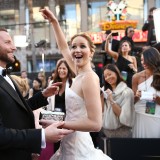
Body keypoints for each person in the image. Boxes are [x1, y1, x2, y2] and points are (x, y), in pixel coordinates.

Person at [40, 7, 112, 160]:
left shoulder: (89, 78)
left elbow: (95, 124)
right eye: (74, 46)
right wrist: (54, 21)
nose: (76, 50)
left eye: (82, 46)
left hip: (79, 147)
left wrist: (61, 124)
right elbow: (63, 47)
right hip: (68, 143)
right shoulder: (78, 73)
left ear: (91, 52)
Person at [0, 28, 73, 160]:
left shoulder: (6, 76)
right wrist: (42, 136)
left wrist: (43, 95)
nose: (14, 47)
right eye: (8, 42)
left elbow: (15, 109)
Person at [132, 47, 160, 138]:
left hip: (156, 117)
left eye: (145, 60)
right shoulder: (136, 77)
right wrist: (136, 96)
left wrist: (156, 98)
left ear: (153, 59)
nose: (143, 63)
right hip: (139, 116)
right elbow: (132, 102)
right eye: (141, 60)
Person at [101, 64, 134, 138]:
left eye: (110, 74)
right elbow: (102, 112)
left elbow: (124, 117)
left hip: (122, 133)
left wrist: (111, 99)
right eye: (105, 76)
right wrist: (101, 97)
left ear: (116, 73)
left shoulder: (127, 92)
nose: (108, 78)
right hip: (106, 133)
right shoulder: (104, 90)